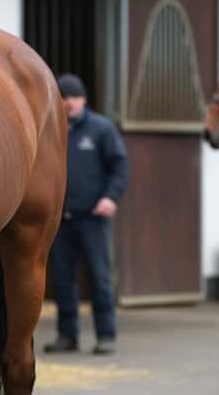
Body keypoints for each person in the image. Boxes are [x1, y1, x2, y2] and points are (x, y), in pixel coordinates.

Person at [44, 74, 129, 355]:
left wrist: (110, 197)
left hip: (93, 217)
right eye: (64, 98)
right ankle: (67, 335)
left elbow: (119, 167)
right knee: (62, 279)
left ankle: (106, 335)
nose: (69, 104)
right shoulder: (52, 130)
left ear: (84, 99)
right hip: (61, 219)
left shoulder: (101, 129)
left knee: (99, 278)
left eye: (74, 98)